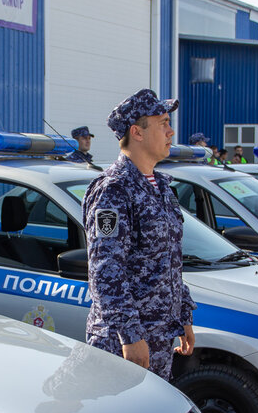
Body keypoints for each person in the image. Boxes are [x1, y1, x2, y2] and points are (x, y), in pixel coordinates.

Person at [83, 89, 195, 380]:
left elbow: (170, 259)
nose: (171, 132)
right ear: (137, 132)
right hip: (123, 344)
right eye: (162, 123)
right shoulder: (114, 190)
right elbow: (106, 271)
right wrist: (130, 336)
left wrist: (184, 315)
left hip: (158, 337)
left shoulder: (160, 186)